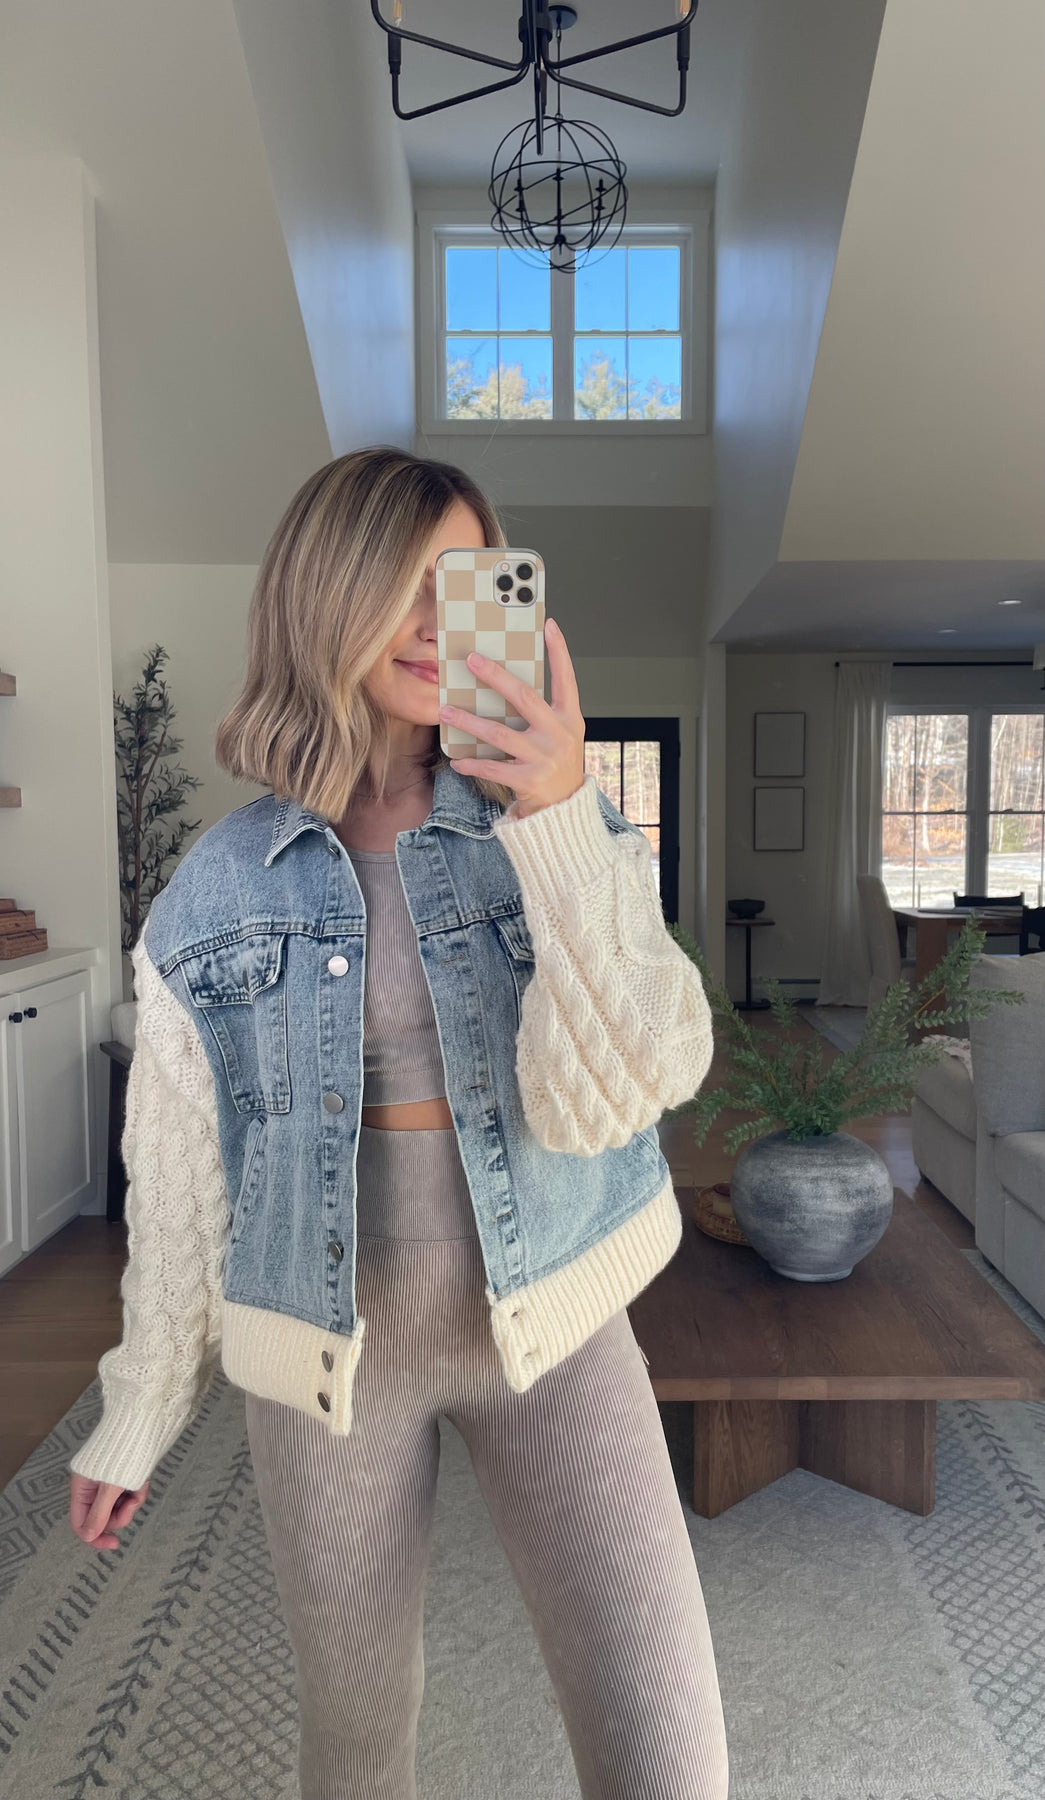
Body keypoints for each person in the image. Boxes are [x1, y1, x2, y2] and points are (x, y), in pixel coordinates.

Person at [67, 447, 729, 1800]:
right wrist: (139, 1407)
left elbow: (643, 1076)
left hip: (554, 1311)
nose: (438, 625)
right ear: (327, 595)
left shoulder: (551, 818)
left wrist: (557, 818)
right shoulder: (214, 889)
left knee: (669, 1758)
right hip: (328, 1350)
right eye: (404, 584)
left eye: (469, 583)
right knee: (359, 1749)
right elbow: (182, 1178)